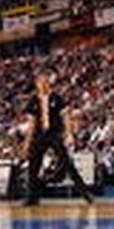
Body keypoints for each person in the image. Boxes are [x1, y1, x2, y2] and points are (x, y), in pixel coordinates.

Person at [22, 71, 95, 206]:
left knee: (66, 162)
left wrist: (69, 134)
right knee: (33, 165)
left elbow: (66, 117)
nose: (43, 84)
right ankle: (32, 198)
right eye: (40, 82)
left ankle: (85, 193)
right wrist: (27, 141)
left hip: (54, 133)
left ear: (48, 83)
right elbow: (31, 123)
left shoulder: (57, 98)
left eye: (45, 81)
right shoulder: (33, 100)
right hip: (39, 135)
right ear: (37, 85)